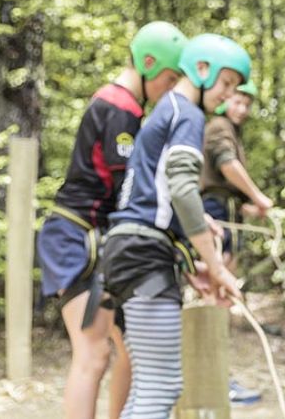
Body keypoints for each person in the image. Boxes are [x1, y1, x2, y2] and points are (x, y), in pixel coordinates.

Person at [35, 21, 188, 419]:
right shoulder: (118, 107)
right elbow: (127, 188)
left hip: (100, 241)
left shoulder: (128, 110)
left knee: (128, 351)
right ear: (148, 63)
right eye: (169, 78)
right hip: (75, 237)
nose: (170, 89)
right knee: (93, 353)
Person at [100, 33, 249, 418]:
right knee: (162, 385)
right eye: (227, 82)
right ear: (202, 70)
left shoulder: (166, 110)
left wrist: (193, 246)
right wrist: (215, 266)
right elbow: (182, 190)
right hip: (143, 257)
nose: (229, 94)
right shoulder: (187, 113)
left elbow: (162, 197)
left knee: (149, 384)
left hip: (129, 252)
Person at [199, 81, 276, 405]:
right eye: (237, 101)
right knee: (216, 296)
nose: (242, 109)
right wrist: (257, 195)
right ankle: (214, 378)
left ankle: (213, 375)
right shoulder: (218, 126)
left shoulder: (227, 127)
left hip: (225, 212)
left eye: (247, 103)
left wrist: (246, 206)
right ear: (224, 100)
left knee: (219, 296)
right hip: (215, 216)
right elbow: (225, 164)